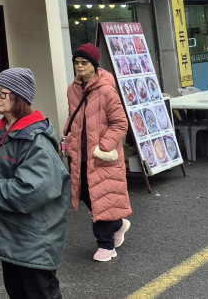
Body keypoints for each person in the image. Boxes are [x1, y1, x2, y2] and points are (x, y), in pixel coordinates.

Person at [0, 68, 70, 299]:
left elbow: (31, 190)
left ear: (19, 96)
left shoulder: (36, 140)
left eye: (2, 93)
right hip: (11, 237)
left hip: (33, 241)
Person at [63, 43, 132, 262]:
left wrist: (102, 147)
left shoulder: (106, 90)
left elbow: (120, 123)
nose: (79, 66)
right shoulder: (72, 90)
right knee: (85, 193)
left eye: (84, 62)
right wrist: (69, 139)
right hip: (79, 154)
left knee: (101, 197)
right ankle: (118, 224)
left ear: (94, 64)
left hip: (102, 156)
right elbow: (73, 117)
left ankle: (106, 245)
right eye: (76, 62)